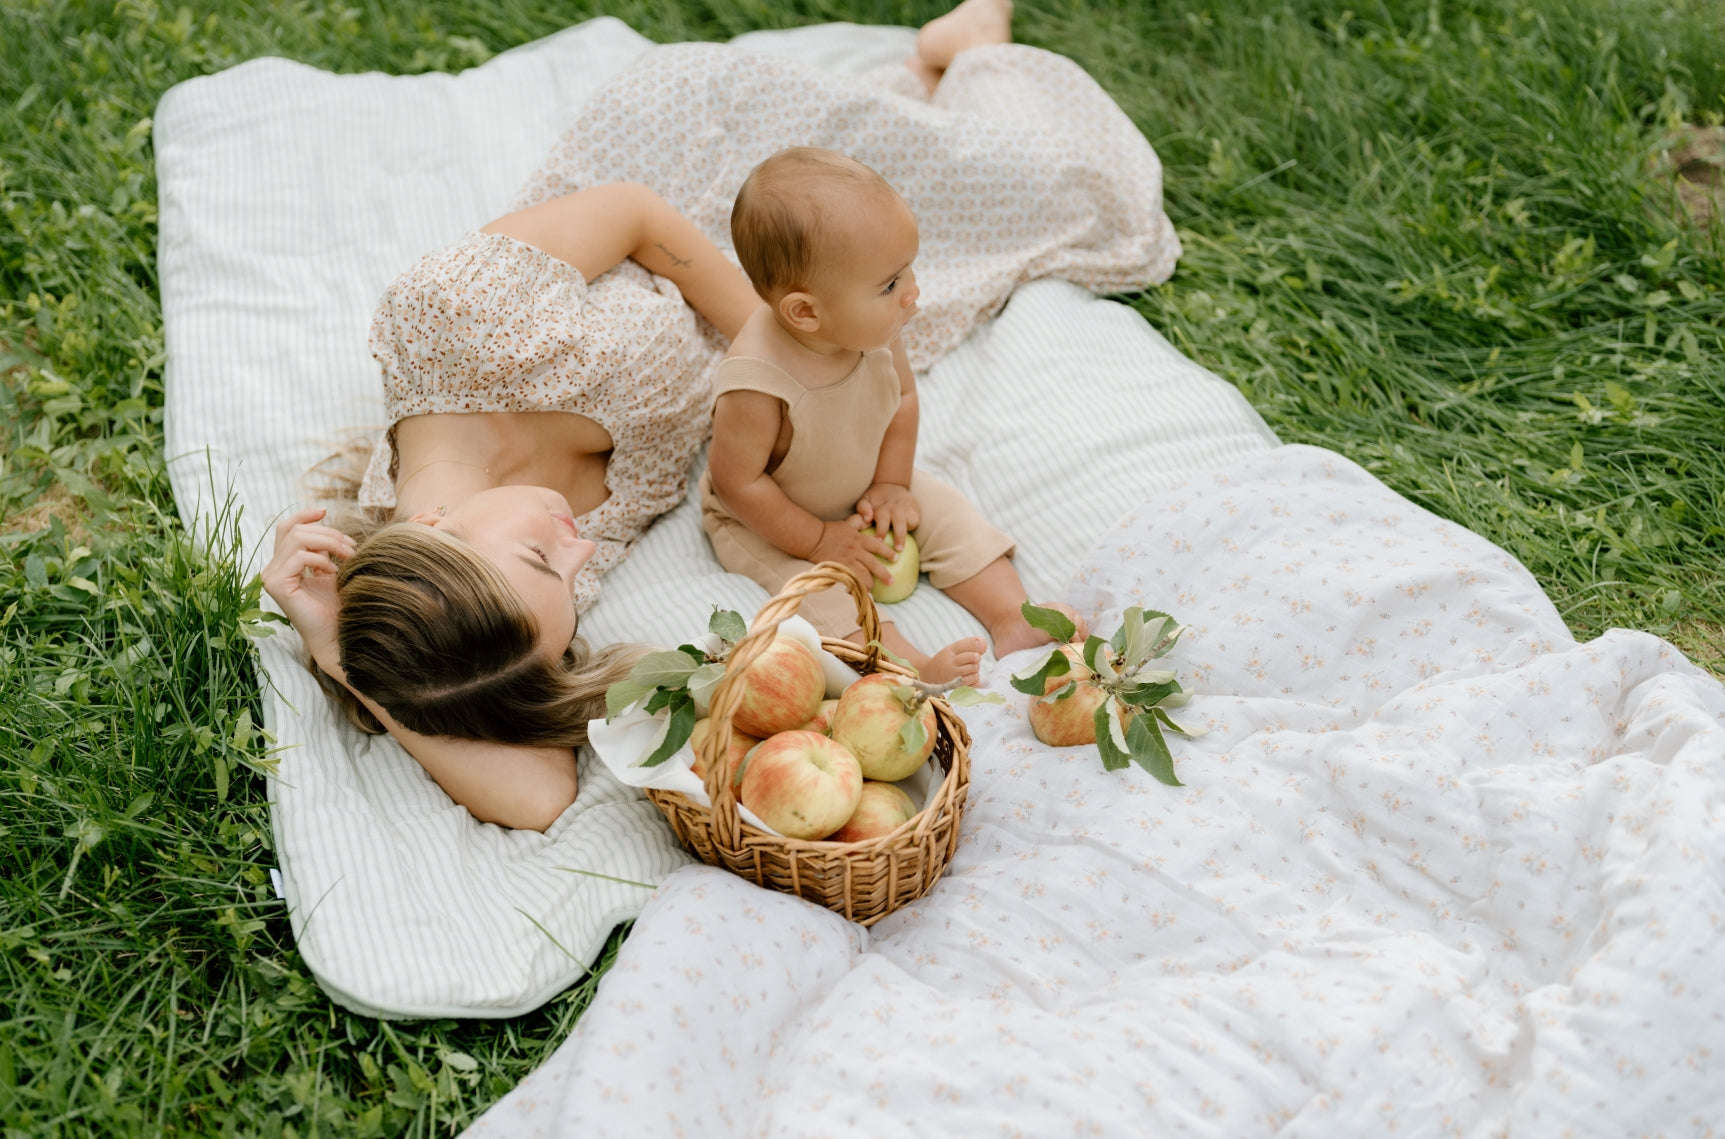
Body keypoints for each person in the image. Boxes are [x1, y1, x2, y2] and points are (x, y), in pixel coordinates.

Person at [262, 0, 1181, 831]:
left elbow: (632, 213)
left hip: (703, 186)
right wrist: (339, 654)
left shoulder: (449, 322)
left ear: (433, 527)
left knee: (1045, 193)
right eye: (567, 574)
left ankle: (963, 50)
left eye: (548, 553)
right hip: (801, 336)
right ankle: (940, 69)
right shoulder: (505, 611)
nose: (581, 549)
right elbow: (539, 797)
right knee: (1036, 206)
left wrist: (779, 339)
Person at [702, 148, 1083, 685]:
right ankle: (912, 667)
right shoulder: (757, 380)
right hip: (770, 517)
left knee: (949, 513)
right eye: (888, 285)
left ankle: (1013, 617)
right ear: (806, 311)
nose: (912, 293)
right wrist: (818, 541)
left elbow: (902, 398)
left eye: (908, 271)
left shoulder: (874, 329)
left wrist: (891, 483)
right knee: (821, 599)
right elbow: (737, 481)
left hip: (865, 482)